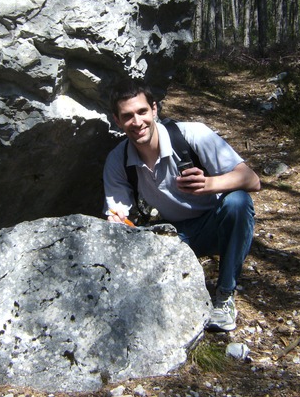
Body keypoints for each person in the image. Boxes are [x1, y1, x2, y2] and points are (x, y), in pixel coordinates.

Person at [103, 81, 260, 332]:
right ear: (117, 121)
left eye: (142, 112)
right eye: (127, 116)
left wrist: (208, 184)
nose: (137, 122)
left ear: (154, 110)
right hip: (173, 234)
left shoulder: (191, 134)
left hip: (216, 225)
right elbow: (117, 209)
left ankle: (225, 294)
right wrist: (118, 219)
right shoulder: (118, 159)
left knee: (238, 202)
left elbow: (252, 180)